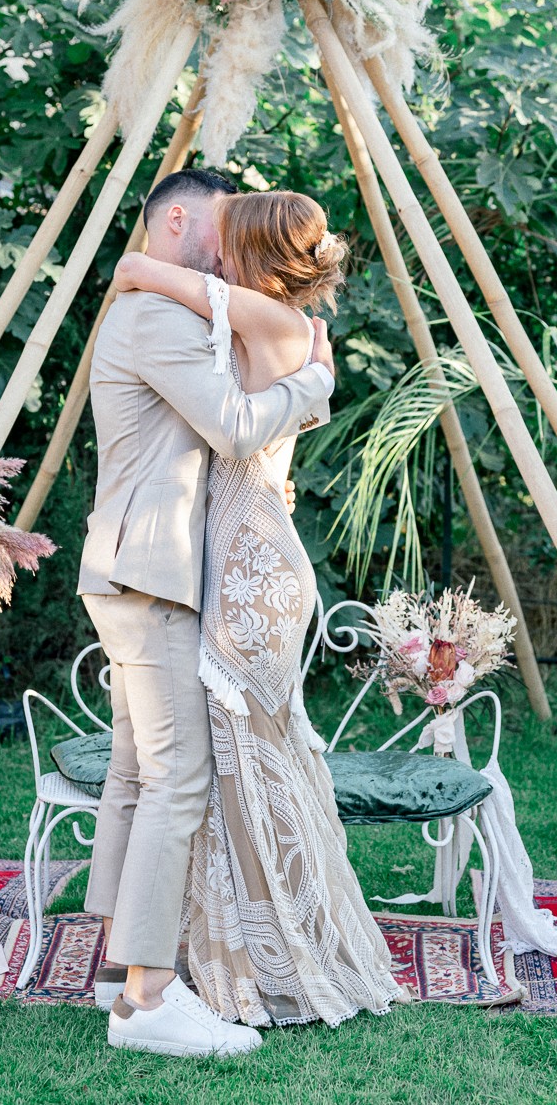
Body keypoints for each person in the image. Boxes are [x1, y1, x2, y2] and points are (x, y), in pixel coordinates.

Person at [113, 189, 405, 1028]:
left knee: (238, 764)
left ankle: (268, 952)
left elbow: (191, 296)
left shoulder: (268, 319)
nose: (214, 255)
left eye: (228, 241)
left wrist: (136, 266)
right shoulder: (281, 326)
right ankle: (253, 939)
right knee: (239, 765)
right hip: (245, 560)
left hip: (249, 571)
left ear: (255, 257)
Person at [77, 169, 336, 1058]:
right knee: (179, 776)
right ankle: (148, 1005)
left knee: (138, 776)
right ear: (179, 217)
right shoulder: (154, 316)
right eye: (220, 228)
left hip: (136, 570)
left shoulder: (166, 303)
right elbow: (230, 424)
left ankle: (115, 974)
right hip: (149, 578)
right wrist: (314, 388)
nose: (226, 251)